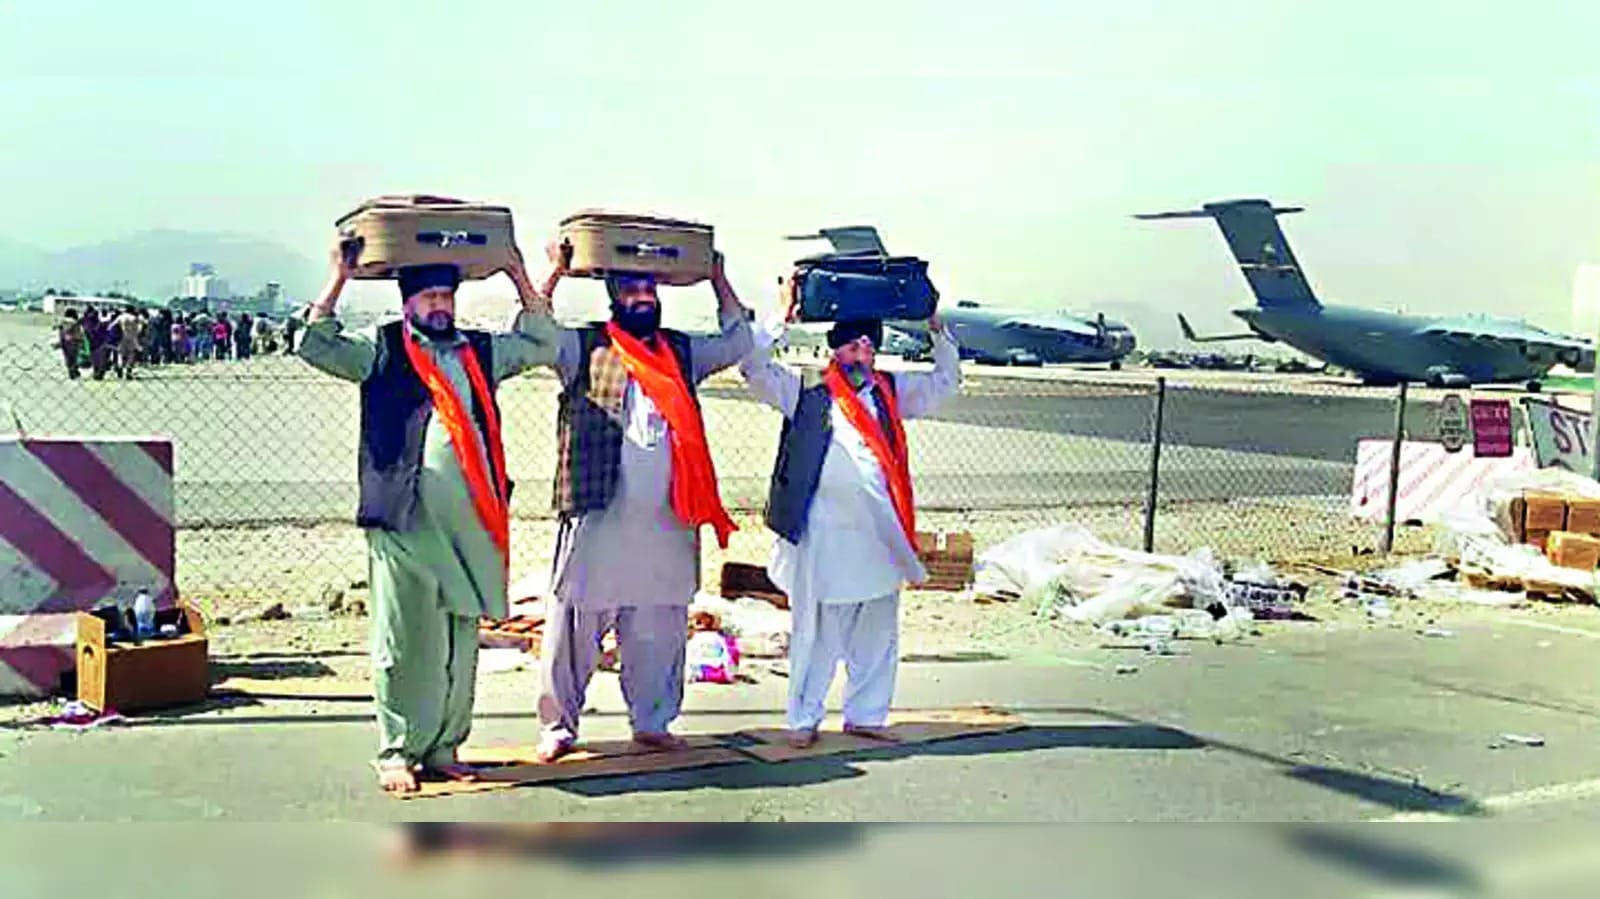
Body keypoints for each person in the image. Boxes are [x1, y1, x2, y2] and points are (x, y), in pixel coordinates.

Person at [297, 239, 559, 794]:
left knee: (460, 643)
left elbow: (541, 342)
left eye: (446, 295)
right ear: (407, 302)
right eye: (429, 297)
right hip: (404, 521)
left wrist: (518, 273)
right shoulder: (383, 348)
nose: (440, 305)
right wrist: (338, 277)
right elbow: (315, 346)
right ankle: (398, 751)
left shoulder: (480, 351)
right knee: (403, 641)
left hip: (473, 525)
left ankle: (444, 747)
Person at [533, 242, 752, 762]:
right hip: (599, 516)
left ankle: (652, 722)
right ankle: (559, 727)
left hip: (668, 522)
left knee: (660, 627)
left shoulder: (681, 351)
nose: (643, 297)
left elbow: (738, 339)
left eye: (649, 289)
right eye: (631, 290)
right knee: (574, 624)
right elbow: (534, 331)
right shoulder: (583, 347)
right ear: (614, 298)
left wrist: (717, 277)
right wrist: (555, 272)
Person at [739, 278, 961, 748]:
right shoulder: (805, 389)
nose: (861, 355)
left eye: (867, 346)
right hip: (822, 536)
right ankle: (802, 721)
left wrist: (935, 328)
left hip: (879, 537)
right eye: (852, 346)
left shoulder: (891, 392)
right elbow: (753, 368)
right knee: (816, 634)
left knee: (877, 632)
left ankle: (866, 715)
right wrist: (783, 316)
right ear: (834, 349)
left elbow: (946, 381)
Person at [55, 309, 86, 380]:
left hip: (65, 344)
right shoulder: (76, 324)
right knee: (73, 359)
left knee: (68, 359)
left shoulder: (62, 324)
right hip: (74, 343)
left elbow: (61, 334)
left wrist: (60, 343)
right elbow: (80, 335)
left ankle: (72, 372)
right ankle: (74, 372)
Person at [114, 306, 144, 379]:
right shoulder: (134, 318)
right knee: (131, 354)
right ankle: (128, 370)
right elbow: (139, 329)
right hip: (132, 338)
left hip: (122, 338)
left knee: (120, 354)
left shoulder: (120, 317)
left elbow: (112, 326)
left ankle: (120, 366)